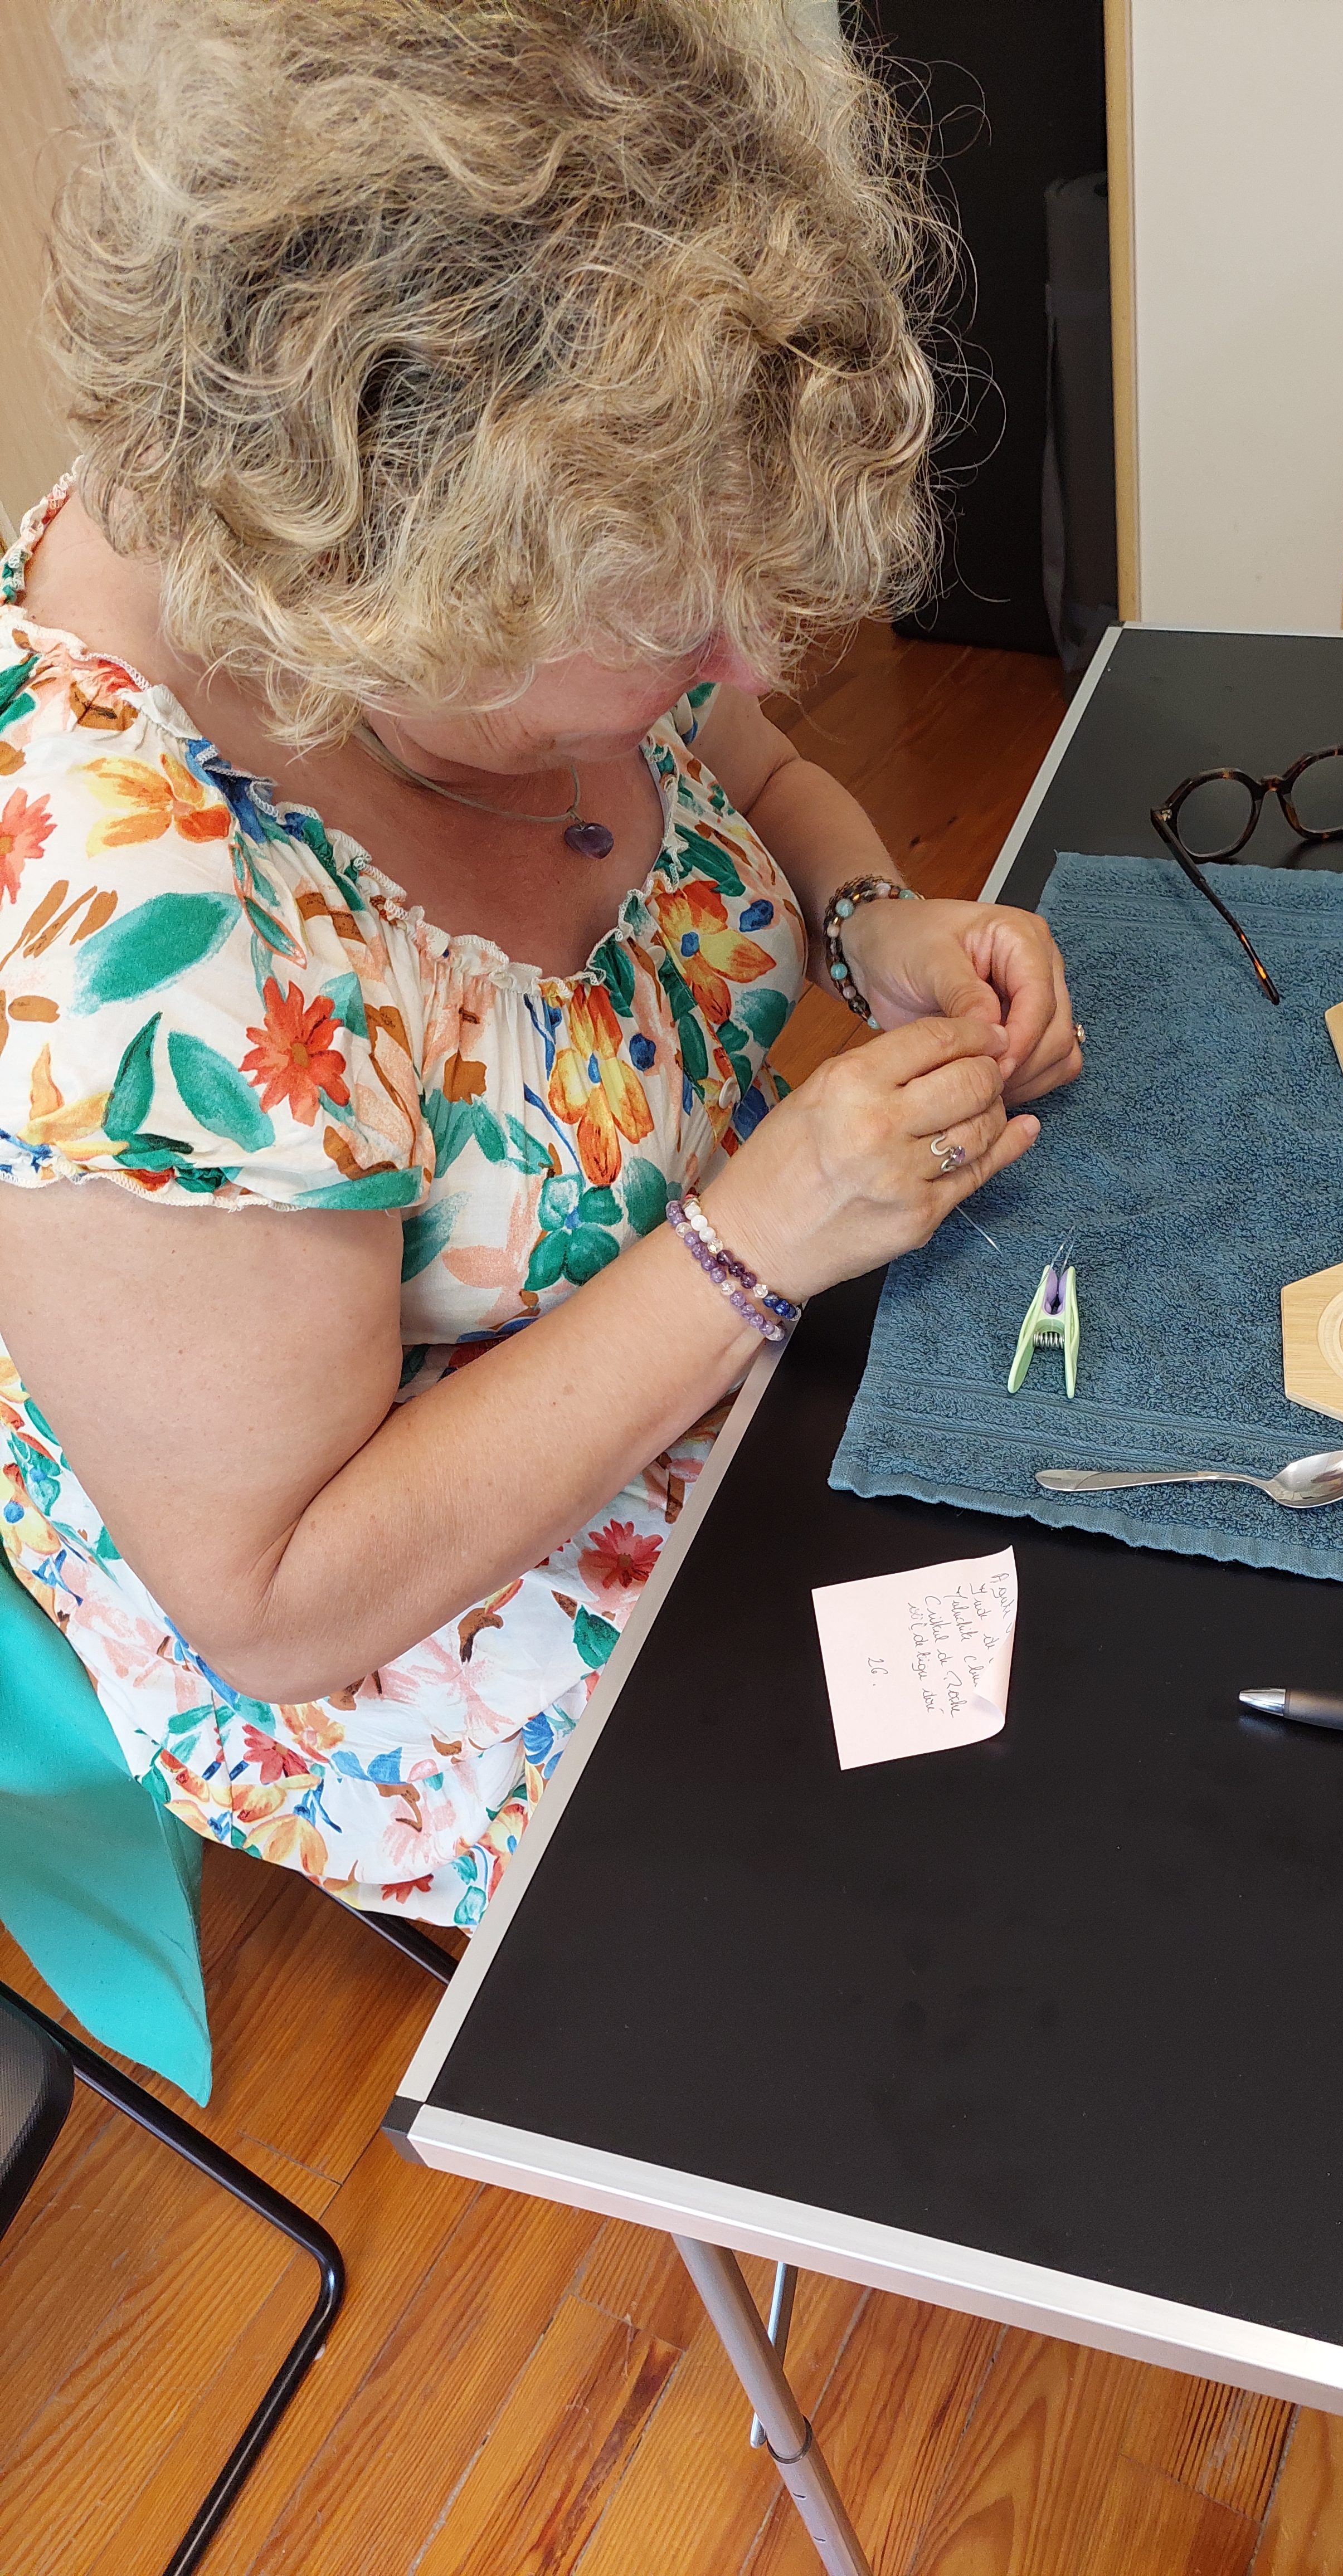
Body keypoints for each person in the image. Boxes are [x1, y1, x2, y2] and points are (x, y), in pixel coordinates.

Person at [0, 0, 1080, 1925]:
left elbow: (734, 747)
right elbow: (278, 1605)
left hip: (722, 1313)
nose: (746, 666)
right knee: (967, 1888)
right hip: (418, 1604)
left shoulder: (526, 577)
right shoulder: (129, 944)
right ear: (411, 591)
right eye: (676, 629)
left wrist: (867, 913)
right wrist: (749, 1247)